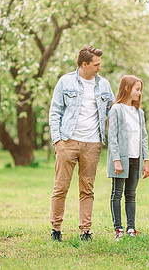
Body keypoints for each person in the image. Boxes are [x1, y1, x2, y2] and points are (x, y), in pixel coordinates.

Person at [48, 46, 115, 242]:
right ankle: (56, 229)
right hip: (67, 141)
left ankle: (85, 231)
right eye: (96, 65)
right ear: (84, 64)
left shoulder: (104, 85)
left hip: (93, 143)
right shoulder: (65, 81)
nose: (99, 68)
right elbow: (55, 112)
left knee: (87, 189)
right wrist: (58, 140)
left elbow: (113, 110)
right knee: (61, 187)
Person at [107, 75, 149, 240]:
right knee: (117, 193)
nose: (139, 93)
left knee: (131, 194)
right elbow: (113, 137)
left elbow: (144, 137)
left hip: (136, 158)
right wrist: (116, 160)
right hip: (121, 160)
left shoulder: (139, 112)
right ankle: (118, 228)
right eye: (137, 89)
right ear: (127, 88)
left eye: (140, 90)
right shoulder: (116, 109)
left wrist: (146, 161)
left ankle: (131, 228)